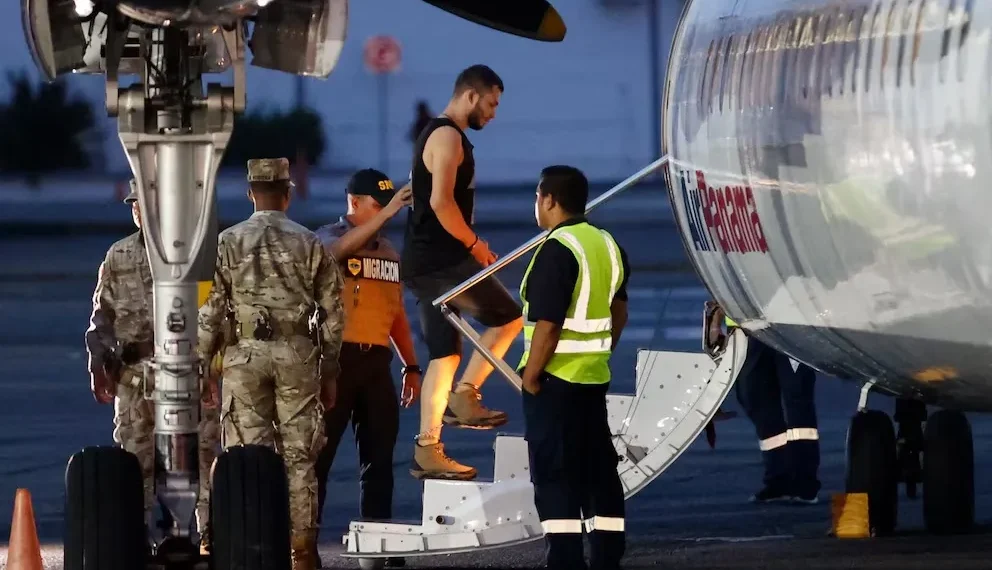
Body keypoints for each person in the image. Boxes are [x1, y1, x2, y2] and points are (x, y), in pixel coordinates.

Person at [197, 158, 345, 570]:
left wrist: (204, 364)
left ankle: (253, 541)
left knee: (246, 454)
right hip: (297, 354)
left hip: (244, 357)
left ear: (250, 193)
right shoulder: (310, 242)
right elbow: (333, 311)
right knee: (299, 457)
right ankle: (301, 549)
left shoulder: (226, 242)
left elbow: (209, 311)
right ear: (287, 192)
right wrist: (329, 370)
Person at [401, 64, 523, 480]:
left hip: (427, 261)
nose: (492, 114)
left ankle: (428, 448)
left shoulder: (437, 134)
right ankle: (464, 398)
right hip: (442, 261)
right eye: (491, 104)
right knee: (508, 318)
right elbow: (440, 203)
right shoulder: (448, 136)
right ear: (471, 96)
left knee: (444, 355)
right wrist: (475, 244)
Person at [85, 179, 220, 554]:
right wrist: (98, 361)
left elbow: (215, 312)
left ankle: (209, 532)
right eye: (135, 205)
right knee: (134, 457)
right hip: (134, 376)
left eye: (147, 204)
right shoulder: (119, 256)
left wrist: (210, 367)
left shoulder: (194, 254)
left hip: (185, 369)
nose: (139, 211)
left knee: (202, 454)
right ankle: (136, 535)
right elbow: (101, 316)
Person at [518, 165, 629, 570]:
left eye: (537, 196)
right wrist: (603, 349)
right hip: (593, 378)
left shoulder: (556, 248)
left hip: (555, 382)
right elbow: (620, 308)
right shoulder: (606, 243)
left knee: (555, 473)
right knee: (599, 470)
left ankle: (564, 559)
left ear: (548, 199)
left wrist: (531, 374)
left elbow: (548, 323)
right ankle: (607, 555)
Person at [312, 169, 421, 568]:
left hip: (376, 363)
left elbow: (396, 314)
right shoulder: (327, 236)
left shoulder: (388, 251)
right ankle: (304, 547)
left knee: (379, 461)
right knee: (317, 460)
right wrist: (388, 212)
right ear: (354, 202)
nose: (387, 214)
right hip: (335, 360)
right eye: (378, 205)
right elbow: (336, 254)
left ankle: (378, 547)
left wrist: (412, 365)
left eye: (389, 205)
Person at [722, 311, 821, 504]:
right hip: (747, 328)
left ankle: (804, 483)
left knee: (797, 401)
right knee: (755, 399)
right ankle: (778, 479)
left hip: (791, 325)